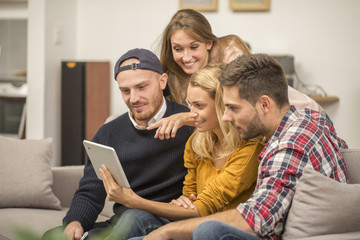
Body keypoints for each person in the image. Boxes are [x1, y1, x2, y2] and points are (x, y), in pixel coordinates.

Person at [143, 54, 349, 240]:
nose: (226, 116)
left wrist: (167, 230)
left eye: (233, 108)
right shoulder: (310, 118)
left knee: (208, 231)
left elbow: (256, 219)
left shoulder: (287, 147)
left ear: (265, 104)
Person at [42, 48, 194, 240]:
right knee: (52, 236)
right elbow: (91, 190)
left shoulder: (189, 124)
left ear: (162, 81)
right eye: (125, 90)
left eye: (142, 87)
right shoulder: (107, 133)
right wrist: (76, 221)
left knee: (133, 218)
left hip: (169, 223)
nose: (134, 98)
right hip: (123, 223)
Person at [99, 63, 264, 239]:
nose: (191, 114)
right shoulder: (197, 142)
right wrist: (184, 203)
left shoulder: (250, 149)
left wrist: (134, 201)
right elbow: (189, 199)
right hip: (193, 225)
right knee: (133, 217)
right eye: (189, 104)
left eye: (199, 106)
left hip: (217, 232)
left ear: (222, 106)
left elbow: (202, 208)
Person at [149, 8, 323, 139]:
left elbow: (238, 111)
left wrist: (182, 118)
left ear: (209, 43)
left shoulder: (230, 51)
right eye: (178, 49)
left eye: (194, 47)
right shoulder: (173, 76)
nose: (186, 57)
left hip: (302, 115)